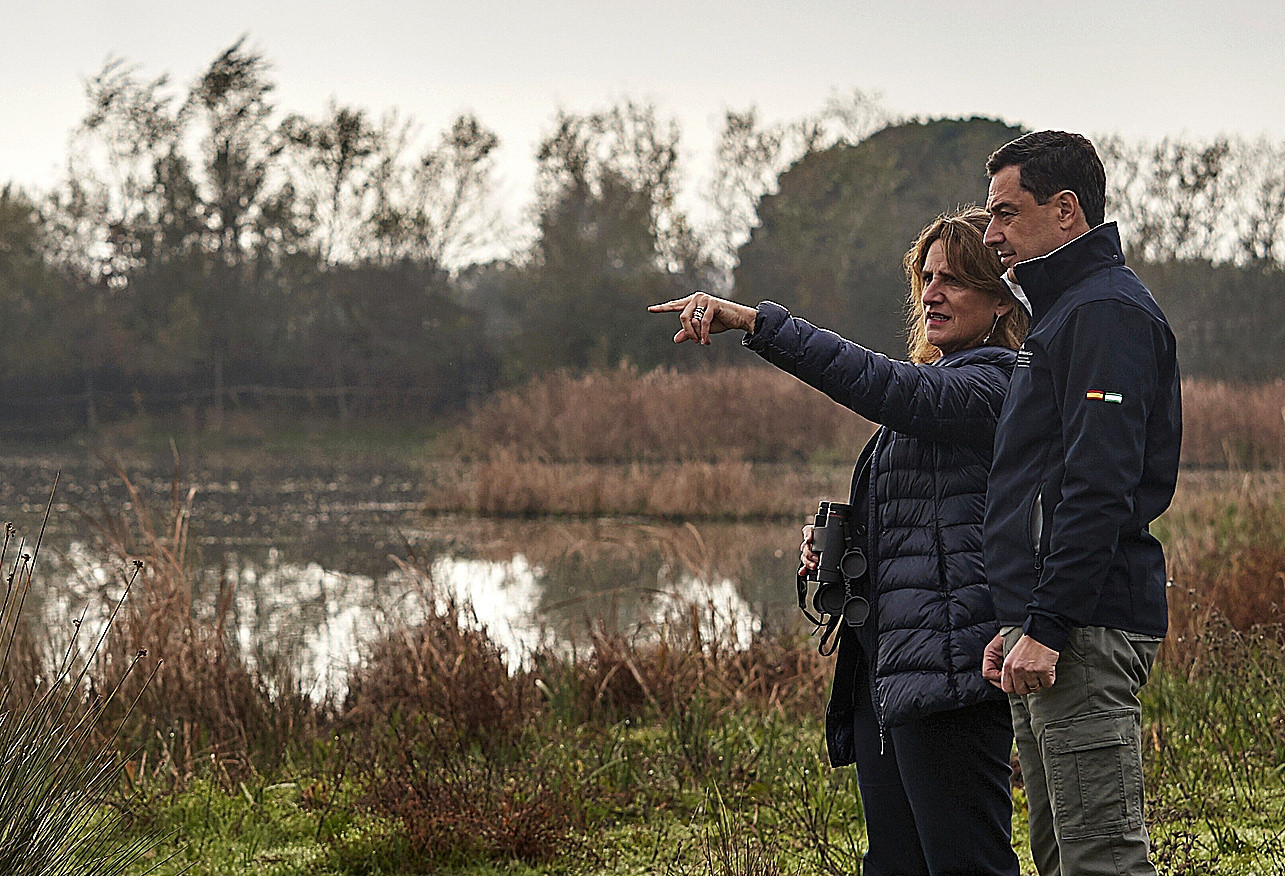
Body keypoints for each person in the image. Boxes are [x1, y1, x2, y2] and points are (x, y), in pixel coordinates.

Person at [651, 207, 1028, 876]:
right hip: (889, 670)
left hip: (950, 673)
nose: (932, 294)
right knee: (893, 864)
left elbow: (881, 385)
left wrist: (754, 322)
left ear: (1001, 301)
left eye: (955, 281)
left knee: (965, 863)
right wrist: (839, 550)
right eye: (926, 278)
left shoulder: (994, 384)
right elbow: (928, 521)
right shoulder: (931, 397)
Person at [979, 131, 1182, 876]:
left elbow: (1100, 487)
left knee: (1101, 862)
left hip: (1083, 629)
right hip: (1053, 626)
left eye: (1005, 213)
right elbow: (1038, 478)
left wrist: (1049, 623)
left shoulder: (1103, 313)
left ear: (1064, 211)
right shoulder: (1062, 314)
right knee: (1061, 858)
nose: (991, 234)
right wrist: (1018, 617)